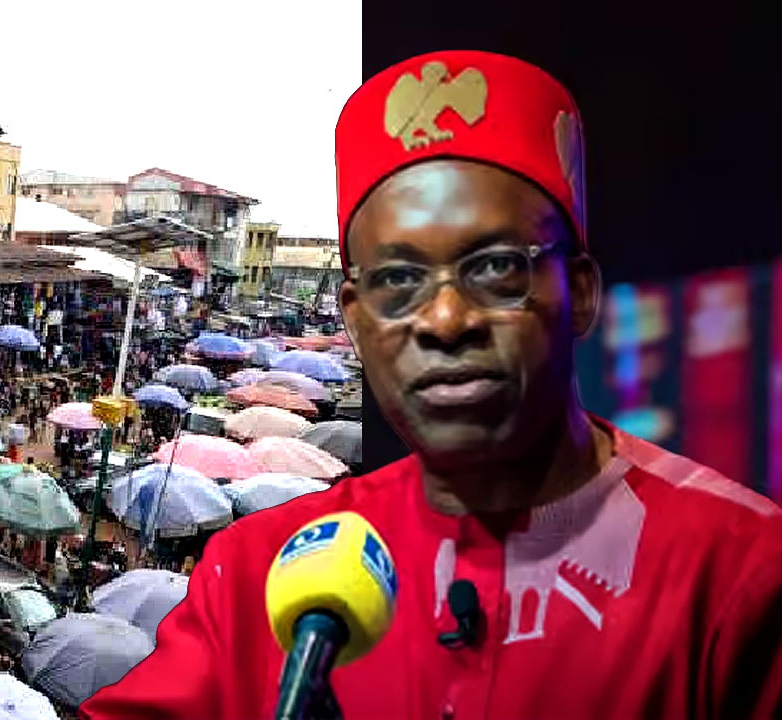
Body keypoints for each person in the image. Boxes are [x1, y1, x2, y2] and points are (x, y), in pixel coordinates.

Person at [81, 50, 782, 720]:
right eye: (397, 280)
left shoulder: (737, 577)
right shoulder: (262, 572)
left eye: (498, 268)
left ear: (584, 292)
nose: (445, 320)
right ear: (355, 318)